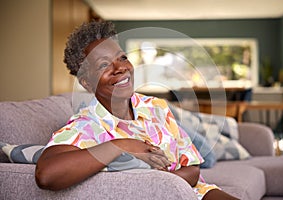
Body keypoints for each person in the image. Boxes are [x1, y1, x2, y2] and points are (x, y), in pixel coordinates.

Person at [35, 21, 239, 200]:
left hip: (196, 192)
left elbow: (193, 169)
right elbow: (46, 175)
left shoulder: (155, 107)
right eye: (104, 65)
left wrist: (166, 186)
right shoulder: (85, 127)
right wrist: (120, 145)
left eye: (122, 57)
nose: (120, 67)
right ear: (87, 83)